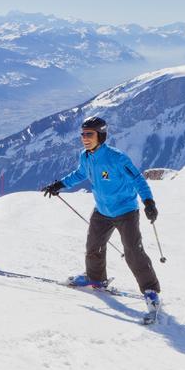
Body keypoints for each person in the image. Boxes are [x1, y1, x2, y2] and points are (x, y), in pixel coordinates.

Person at [41, 116, 161, 313]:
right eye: (82, 135)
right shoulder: (85, 156)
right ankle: (96, 279)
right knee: (93, 248)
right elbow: (80, 174)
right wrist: (59, 185)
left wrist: (148, 202)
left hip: (125, 211)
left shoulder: (117, 158)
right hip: (102, 210)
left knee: (133, 251)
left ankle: (150, 291)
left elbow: (138, 179)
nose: (84, 138)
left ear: (101, 135)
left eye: (89, 134)